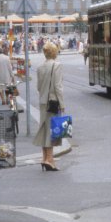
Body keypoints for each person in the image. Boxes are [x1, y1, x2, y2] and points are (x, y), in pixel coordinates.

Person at [33, 41, 65, 171]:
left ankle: (44, 158)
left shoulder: (40, 67)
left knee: (44, 129)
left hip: (43, 102)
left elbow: (39, 87)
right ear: (55, 52)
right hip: (53, 102)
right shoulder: (57, 65)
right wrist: (62, 104)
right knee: (53, 131)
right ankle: (50, 160)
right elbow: (58, 86)